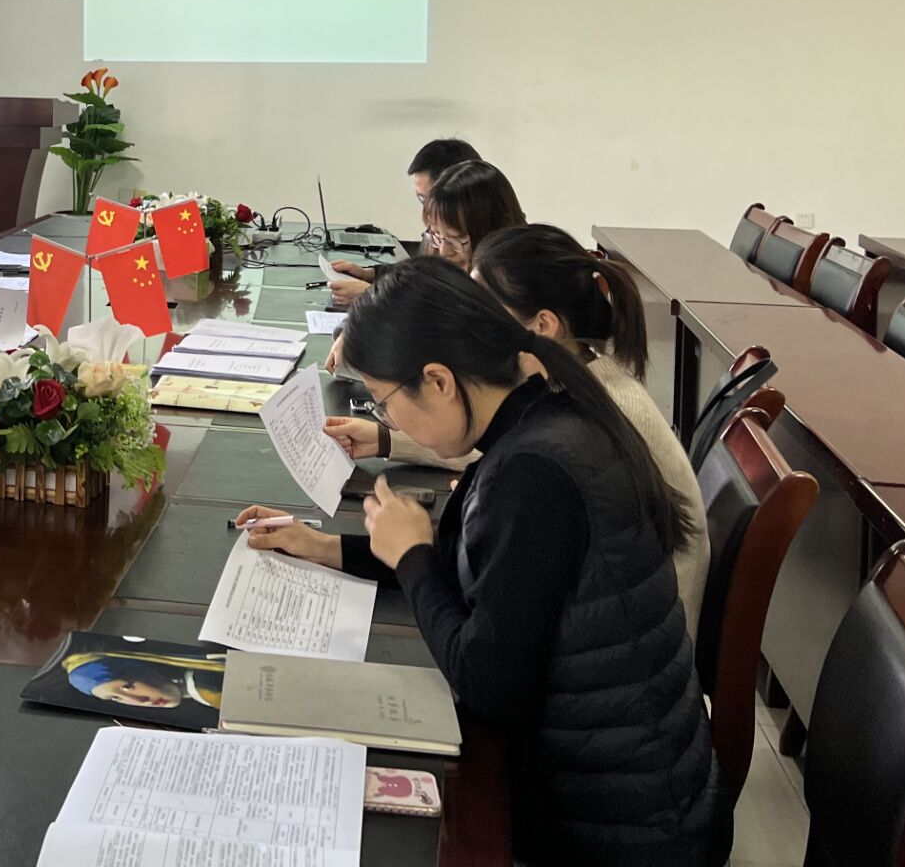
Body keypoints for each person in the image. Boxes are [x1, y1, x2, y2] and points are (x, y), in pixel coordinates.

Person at [239, 259, 726, 867]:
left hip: (616, 829)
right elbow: (475, 563)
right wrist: (324, 547)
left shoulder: (534, 473)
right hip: (630, 784)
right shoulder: (545, 411)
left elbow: (489, 686)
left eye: (385, 404)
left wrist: (412, 558)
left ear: (438, 381)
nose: (386, 420)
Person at [472, 223, 709, 632]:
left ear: (542, 325)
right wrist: (389, 439)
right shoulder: (580, 376)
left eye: (484, 312)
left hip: (645, 634)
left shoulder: (597, 407)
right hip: (626, 610)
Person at [328, 137, 483, 305]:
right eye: (421, 200)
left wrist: (374, 295)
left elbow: (446, 305)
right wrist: (371, 274)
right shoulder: (437, 236)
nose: (425, 212)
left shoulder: (486, 260)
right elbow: (421, 274)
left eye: (428, 200)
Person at [65, 648, 225, 712]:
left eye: (128, 686)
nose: (138, 700)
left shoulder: (209, 686)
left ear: (140, 669)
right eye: (115, 698)